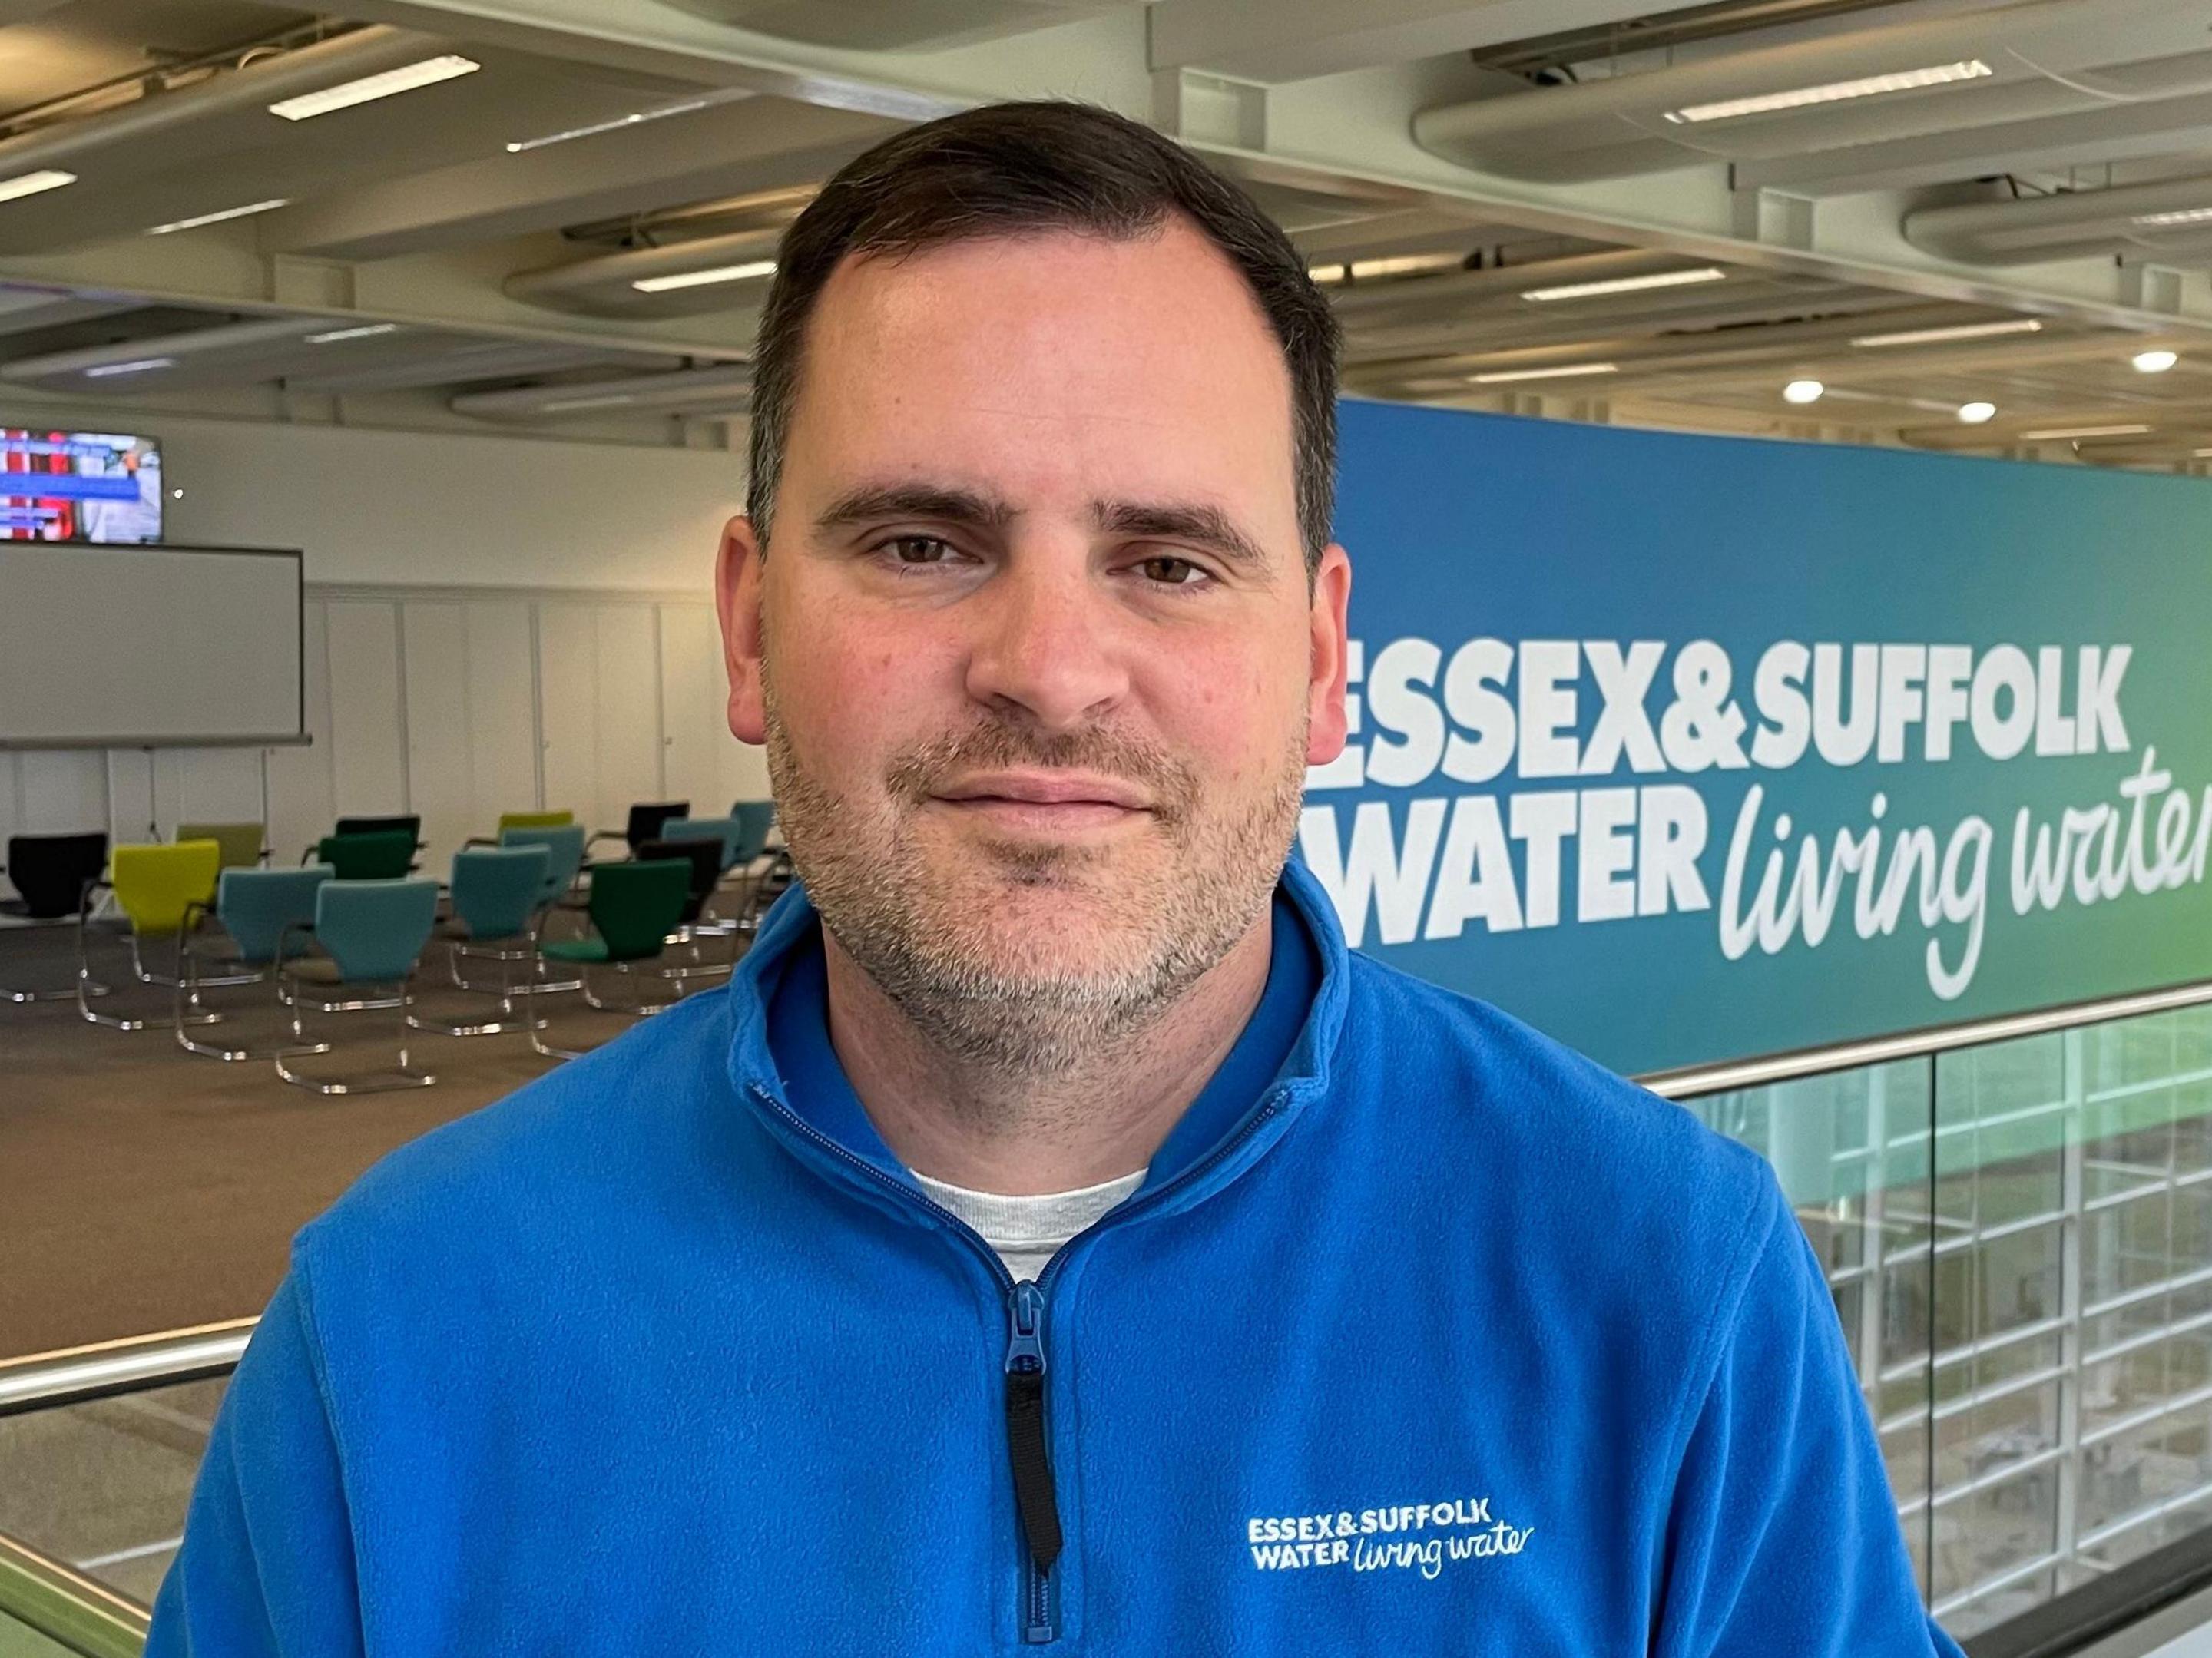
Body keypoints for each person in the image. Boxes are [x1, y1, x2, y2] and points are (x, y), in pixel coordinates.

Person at [149, 101, 1962, 1656]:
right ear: (750, 622)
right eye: (926, 542)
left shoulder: (1654, 1273)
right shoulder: (403, 1330)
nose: (1050, 667)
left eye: (1170, 562)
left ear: (1324, 660)